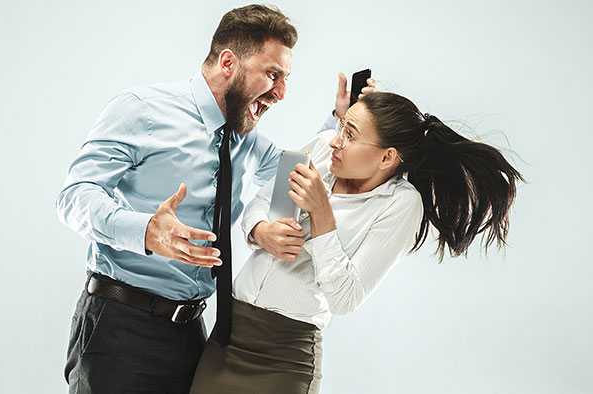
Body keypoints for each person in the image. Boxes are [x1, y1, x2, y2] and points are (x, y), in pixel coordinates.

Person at [189, 90, 525, 394]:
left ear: (387, 157)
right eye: (342, 128)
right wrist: (260, 230)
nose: (336, 141)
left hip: (284, 356)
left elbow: (345, 298)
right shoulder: (322, 149)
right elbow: (264, 201)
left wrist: (322, 216)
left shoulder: (401, 205)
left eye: (350, 135)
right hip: (228, 334)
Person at [55, 4, 305, 393]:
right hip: (121, 328)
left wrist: (342, 124)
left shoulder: (243, 136)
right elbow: (74, 196)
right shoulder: (142, 110)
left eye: (285, 78)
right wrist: (147, 232)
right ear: (228, 62)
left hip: (193, 335)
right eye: (272, 75)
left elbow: (294, 168)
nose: (282, 93)